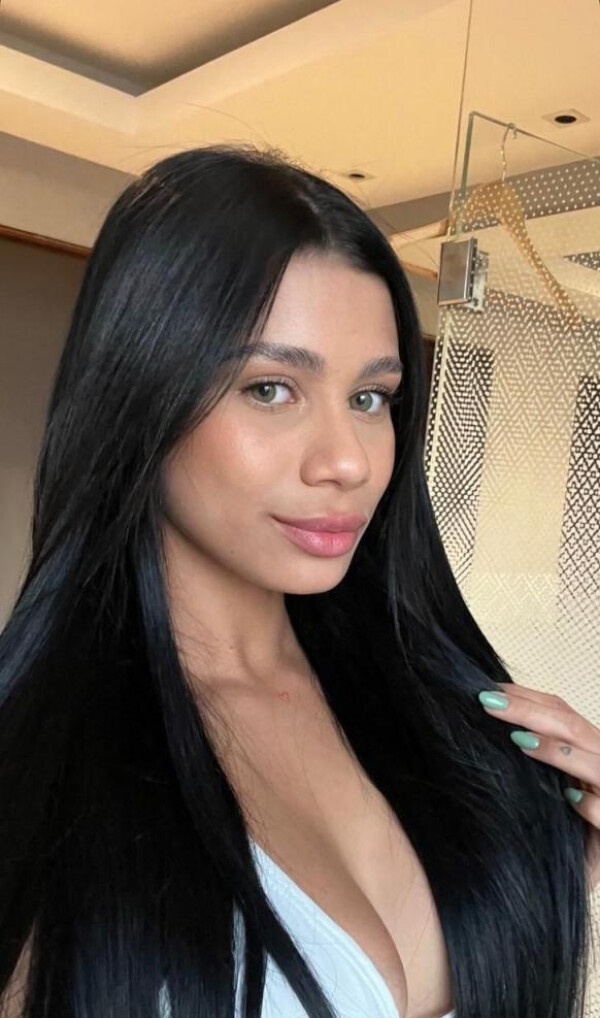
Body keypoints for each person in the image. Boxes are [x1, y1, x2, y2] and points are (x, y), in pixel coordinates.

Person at [0, 143, 593, 1018]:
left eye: (370, 398)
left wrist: (553, 877)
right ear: (138, 392)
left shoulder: (439, 712)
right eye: (272, 389)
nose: (348, 461)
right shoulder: (41, 776)